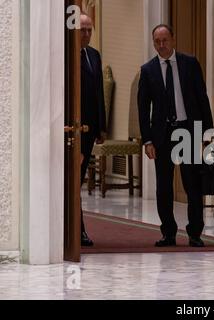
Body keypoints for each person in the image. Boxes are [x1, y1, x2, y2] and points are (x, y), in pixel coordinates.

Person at [138, 24, 214, 248]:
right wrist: (148, 140)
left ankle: (194, 233)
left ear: (173, 39)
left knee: (193, 184)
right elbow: (143, 109)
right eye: (157, 42)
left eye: (165, 40)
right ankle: (168, 233)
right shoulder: (148, 70)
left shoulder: (189, 64)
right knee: (163, 186)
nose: (161, 45)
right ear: (154, 43)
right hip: (162, 135)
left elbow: (203, 99)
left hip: (188, 131)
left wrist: (207, 133)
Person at [80, 13, 106, 247]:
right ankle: (77, 230)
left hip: (90, 128)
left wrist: (101, 126)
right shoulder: (67, 56)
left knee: (78, 178)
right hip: (73, 129)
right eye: (82, 29)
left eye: (89, 30)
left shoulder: (94, 55)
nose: (86, 34)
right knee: (74, 181)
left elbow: (99, 93)